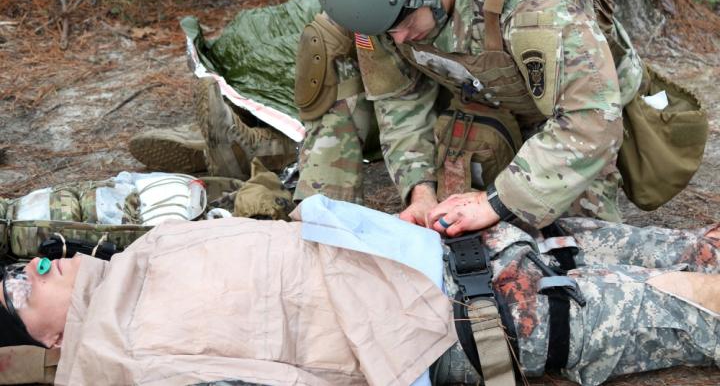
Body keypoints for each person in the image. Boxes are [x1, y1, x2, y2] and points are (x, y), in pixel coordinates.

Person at [1, 200, 718, 385]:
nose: (38, 266)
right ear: (43, 346)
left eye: (26, 262)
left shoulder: (145, 250)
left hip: (432, 248)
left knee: (684, 247)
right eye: (17, 289)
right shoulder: (118, 361)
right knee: (686, 301)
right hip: (450, 321)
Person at [127, 0, 576, 181]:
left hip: (466, 31)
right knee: (327, 37)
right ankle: (255, 131)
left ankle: (270, 151)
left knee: (377, 75)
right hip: (407, 4)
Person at [292, 0, 645, 231]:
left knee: (571, 248)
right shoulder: (389, 6)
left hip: (574, 112)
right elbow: (399, 98)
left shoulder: (536, 4)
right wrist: (421, 191)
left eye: (407, 25)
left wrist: (495, 202)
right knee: (327, 42)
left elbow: (591, 121)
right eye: (390, 31)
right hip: (481, 92)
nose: (397, 40)